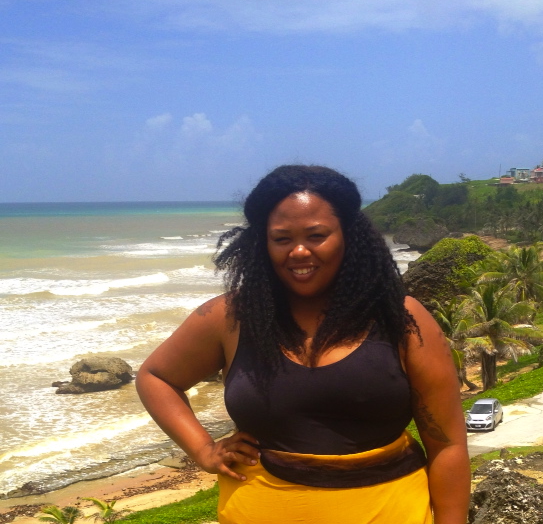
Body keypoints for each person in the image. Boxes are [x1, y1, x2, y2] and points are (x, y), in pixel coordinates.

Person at [136, 164, 470, 523]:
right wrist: (203, 450)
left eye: (316, 235)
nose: (298, 251)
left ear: (348, 235)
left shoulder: (400, 318)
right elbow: (156, 377)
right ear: (263, 243)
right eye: (281, 239)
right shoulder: (230, 317)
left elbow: (448, 446)